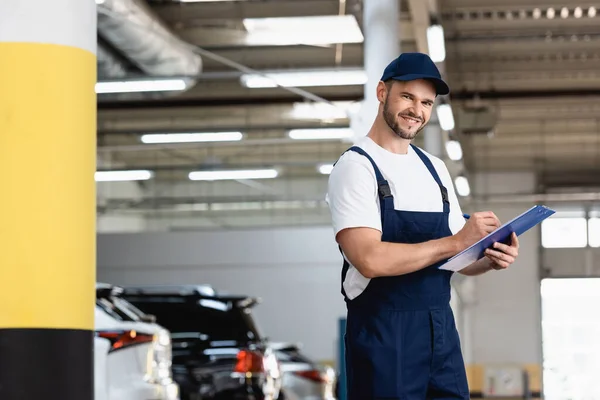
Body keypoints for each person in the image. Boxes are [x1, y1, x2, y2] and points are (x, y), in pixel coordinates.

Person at [326, 52, 520, 400]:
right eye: (408, 97)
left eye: (427, 103)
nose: (417, 110)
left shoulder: (435, 169)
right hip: (385, 333)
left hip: (440, 329)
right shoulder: (357, 166)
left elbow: (457, 259)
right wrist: (457, 240)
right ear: (382, 92)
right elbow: (369, 259)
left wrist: (488, 256)